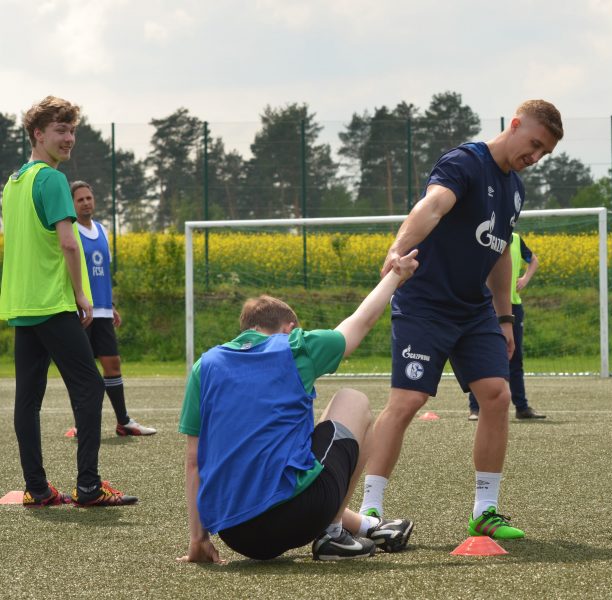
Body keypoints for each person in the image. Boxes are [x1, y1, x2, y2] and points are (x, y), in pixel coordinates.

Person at [357, 99, 563, 540]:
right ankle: (370, 509)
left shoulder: (515, 190)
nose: (536, 157)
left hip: (474, 310)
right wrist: (396, 250)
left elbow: (501, 254)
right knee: (407, 402)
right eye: (534, 144)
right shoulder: (465, 162)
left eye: (544, 152)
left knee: (496, 395)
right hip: (425, 303)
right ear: (515, 125)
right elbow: (431, 207)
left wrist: (505, 317)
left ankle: (485, 511)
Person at [177, 250, 419, 563]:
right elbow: (361, 321)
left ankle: (365, 525)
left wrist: (198, 539)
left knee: (295, 455)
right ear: (289, 327)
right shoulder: (294, 345)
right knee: (352, 400)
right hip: (302, 513)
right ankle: (331, 534)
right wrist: (396, 276)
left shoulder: (203, 366)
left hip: (239, 536)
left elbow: (194, 461)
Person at [0, 96, 136, 507]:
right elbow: (67, 244)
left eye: (72, 130)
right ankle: (90, 487)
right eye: (60, 130)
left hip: (23, 306)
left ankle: (37, 489)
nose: (69, 138)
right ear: (38, 134)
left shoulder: (13, 182)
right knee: (90, 388)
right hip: (53, 303)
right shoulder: (52, 180)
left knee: (27, 399)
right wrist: (82, 296)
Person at [70, 181, 157, 437]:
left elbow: (103, 273)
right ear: (72, 204)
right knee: (83, 371)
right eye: (80, 199)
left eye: (89, 198)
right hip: (81, 313)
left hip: (104, 312)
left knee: (113, 364)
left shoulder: (102, 230)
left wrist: (112, 305)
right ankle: (81, 424)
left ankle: (124, 422)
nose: (86, 202)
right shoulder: (69, 232)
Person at [468, 232, 546, 421]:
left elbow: (533, 260)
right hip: (485, 306)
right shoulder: (483, 236)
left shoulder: (517, 239)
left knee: (515, 357)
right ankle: (475, 408)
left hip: (513, 306)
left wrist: (525, 279)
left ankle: (522, 407)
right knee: (481, 355)